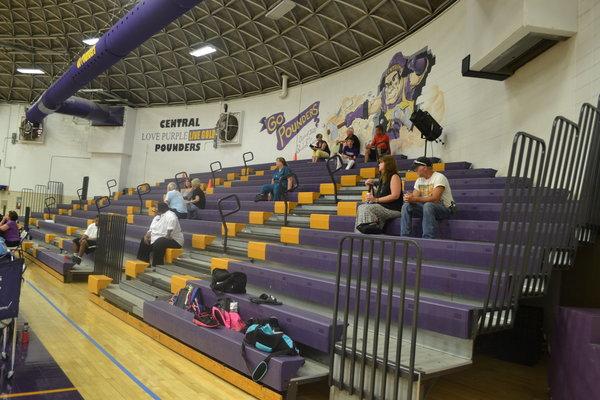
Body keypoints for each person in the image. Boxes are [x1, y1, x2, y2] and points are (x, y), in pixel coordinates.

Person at [400, 157, 455, 239]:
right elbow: (415, 197)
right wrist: (409, 198)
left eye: (416, 168)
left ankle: (428, 238)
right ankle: (404, 237)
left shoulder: (439, 177)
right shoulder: (419, 180)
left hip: (445, 209)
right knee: (407, 205)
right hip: (428, 209)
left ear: (425, 167)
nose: (415, 170)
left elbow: (435, 199)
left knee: (428, 205)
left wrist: (414, 199)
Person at [355, 155, 403, 234]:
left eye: (381, 163)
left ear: (388, 164)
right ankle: (361, 233)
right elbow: (379, 195)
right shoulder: (382, 178)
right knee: (361, 206)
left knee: (367, 208)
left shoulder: (394, 176)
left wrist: (376, 200)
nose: (379, 164)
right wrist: (371, 185)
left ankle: (372, 232)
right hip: (383, 207)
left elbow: (395, 195)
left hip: (393, 209)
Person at [137, 202, 184, 267]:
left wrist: (156, 238)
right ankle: (144, 263)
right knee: (144, 241)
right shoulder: (157, 217)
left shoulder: (171, 215)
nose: (155, 209)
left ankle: (157, 265)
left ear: (161, 208)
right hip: (161, 238)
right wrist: (146, 236)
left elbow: (168, 235)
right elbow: (151, 230)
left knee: (159, 242)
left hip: (175, 240)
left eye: (156, 207)